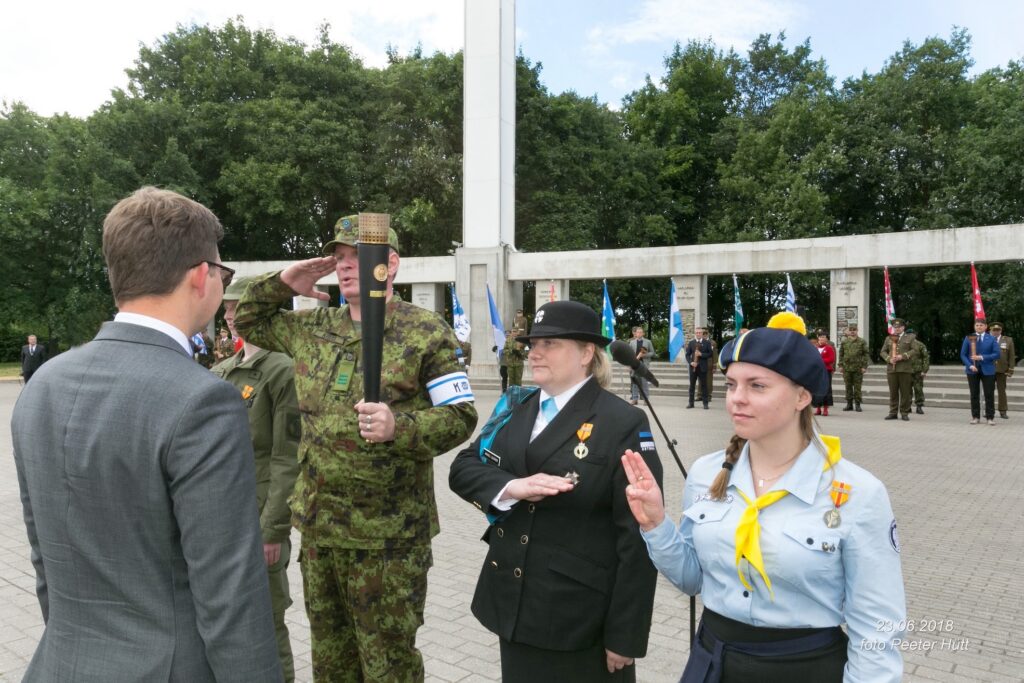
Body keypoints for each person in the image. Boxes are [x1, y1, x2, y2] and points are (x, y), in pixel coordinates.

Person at [11, 187, 281, 681]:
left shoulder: (43, 385)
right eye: (223, 273)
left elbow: (46, 561)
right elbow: (231, 598)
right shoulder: (203, 400)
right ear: (201, 275)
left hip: (61, 665)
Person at [233, 213, 477, 682]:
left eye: (357, 257)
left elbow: (461, 416)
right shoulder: (313, 327)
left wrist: (399, 426)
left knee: (388, 665)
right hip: (321, 530)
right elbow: (247, 318)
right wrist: (285, 281)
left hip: (388, 538)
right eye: (339, 258)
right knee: (331, 663)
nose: (345, 266)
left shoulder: (426, 332)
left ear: (391, 264)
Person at [623, 312, 906, 682]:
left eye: (757, 386)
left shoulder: (858, 493)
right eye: (731, 385)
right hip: (713, 661)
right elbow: (692, 579)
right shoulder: (707, 474)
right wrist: (656, 525)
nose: (736, 399)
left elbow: (877, 627)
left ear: (802, 396)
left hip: (803, 668)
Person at [449, 300, 663, 682]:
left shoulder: (622, 422)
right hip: (512, 602)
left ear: (586, 353)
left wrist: (625, 633)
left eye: (550, 343)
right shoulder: (516, 406)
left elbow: (637, 537)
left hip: (576, 618)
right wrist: (512, 487)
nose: (535, 352)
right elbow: (463, 467)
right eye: (534, 344)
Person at [211, 276, 301, 681]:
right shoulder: (222, 371)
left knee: (267, 622)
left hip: (259, 518)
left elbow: (287, 457)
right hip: (219, 516)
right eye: (228, 308)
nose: (232, 316)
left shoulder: (282, 371)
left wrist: (273, 530)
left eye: (239, 308)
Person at [960, 318, 1000, 426]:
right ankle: (975, 417)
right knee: (974, 394)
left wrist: (982, 357)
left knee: (989, 394)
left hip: (988, 370)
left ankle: (990, 417)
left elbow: (997, 354)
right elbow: (963, 354)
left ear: (986, 327)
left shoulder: (991, 338)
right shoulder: (968, 338)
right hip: (972, 370)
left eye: (981, 325)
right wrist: (970, 365)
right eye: (977, 325)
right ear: (974, 326)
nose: (979, 327)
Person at [879, 318, 918, 421]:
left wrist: (903, 356)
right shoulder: (888, 338)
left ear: (903, 327)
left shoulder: (910, 337)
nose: (897, 329)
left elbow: (915, 350)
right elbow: (882, 352)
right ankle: (893, 412)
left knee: (905, 393)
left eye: (899, 327)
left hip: (905, 369)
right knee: (893, 392)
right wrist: (889, 359)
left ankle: (904, 413)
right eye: (895, 327)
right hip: (892, 369)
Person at [837, 323, 869, 412]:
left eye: (854, 330)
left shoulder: (862, 341)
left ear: (857, 331)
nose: (852, 332)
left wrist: (864, 366)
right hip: (847, 368)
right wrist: (840, 365)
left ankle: (858, 404)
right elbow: (841, 354)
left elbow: (866, 354)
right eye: (850, 330)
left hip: (858, 368)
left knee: (857, 387)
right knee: (848, 386)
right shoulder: (844, 342)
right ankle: (849, 404)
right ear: (848, 331)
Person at [991, 322, 1015, 419]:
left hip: (1002, 369)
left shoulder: (1008, 340)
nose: (996, 332)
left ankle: (1003, 411)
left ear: (1001, 330)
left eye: (998, 330)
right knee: (989, 392)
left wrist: (1011, 369)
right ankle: (990, 411)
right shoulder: (987, 340)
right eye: (994, 330)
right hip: (989, 370)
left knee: (1002, 392)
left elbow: (1011, 356)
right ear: (991, 330)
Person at [685, 327, 712, 409]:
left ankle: (705, 404)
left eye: (700, 333)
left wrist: (701, 354)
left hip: (702, 367)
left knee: (704, 386)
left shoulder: (707, 343)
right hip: (693, 367)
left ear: (702, 333)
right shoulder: (691, 343)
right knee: (692, 386)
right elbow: (687, 355)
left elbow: (710, 354)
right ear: (695, 333)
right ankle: (691, 403)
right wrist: (691, 362)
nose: (698, 334)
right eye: (697, 333)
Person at [628, 325, 655, 405]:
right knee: (635, 382)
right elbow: (629, 353)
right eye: (638, 332)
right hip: (635, 364)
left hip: (644, 364)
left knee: (644, 382)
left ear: (643, 333)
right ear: (635, 334)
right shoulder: (632, 342)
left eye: (640, 332)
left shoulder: (648, 342)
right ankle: (635, 399)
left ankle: (646, 400)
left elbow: (652, 353)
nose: (639, 334)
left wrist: (644, 355)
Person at [909, 333, 930, 415]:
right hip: (906, 371)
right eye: (908, 334)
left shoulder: (920, 345)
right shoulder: (904, 345)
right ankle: (907, 406)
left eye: (912, 335)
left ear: (915, 335)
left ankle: (919, 406)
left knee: (918, 389)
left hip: (918, 371)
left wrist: (924, 370)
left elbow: (926, 357)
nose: (910, 336)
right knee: (906, 390)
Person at [702, 328, 718, 403]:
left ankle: (709, 395)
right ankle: (700, 395)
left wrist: (714, 365)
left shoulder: (712, 343)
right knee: (701, 380)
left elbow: (714, 354)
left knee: (708, 381)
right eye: (703, 333)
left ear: (708, 333)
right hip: (701, 364)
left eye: (705, 333)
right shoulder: (700, 342)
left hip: (709, 363)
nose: (704, 334)